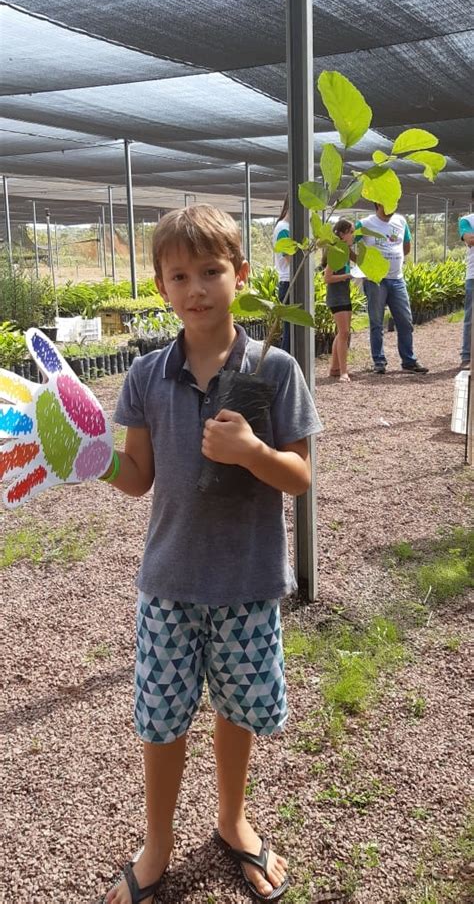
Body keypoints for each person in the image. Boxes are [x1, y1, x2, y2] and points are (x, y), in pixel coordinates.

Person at [103, 204, 322, 904]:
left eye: (211, 271)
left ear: (242, 276)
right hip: (168, 583)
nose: (196, 287)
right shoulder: (146, 376)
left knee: (235, 709)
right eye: (179, 275)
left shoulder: (273, 367)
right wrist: (87, 459)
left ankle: (231, 821)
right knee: (162, 719)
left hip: (248, 583)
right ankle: (159, 843)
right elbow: (138, 480)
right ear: (162, 287)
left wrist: (254, 451)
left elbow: (300, 475)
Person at [356, 203, 428, 374]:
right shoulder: (365, 224)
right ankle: (379, 362)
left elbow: (407, 246)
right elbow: (348, 243)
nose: (392, 206)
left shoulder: (401, 221)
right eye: (388, 202)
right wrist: (363, 264)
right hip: (375, 280)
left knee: (405, 321)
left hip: (397, 279)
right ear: (377, 203)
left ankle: (408, 361)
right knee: (376, 322)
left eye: (395, 202)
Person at [323, 218, 355, 382]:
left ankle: (334, 369)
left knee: (341, 333)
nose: (353, 235)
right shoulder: (336, 251)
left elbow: (360, 260)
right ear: (342, 234)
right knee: (343, 333)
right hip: (337, 297)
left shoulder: (346, 250)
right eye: (351, 232)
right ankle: (343, 372)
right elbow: (327, 278)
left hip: (344, 294)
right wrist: (348, 275)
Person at [272, 194, 291, 353]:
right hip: (288, 282)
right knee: (291, 331)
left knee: (293, 329)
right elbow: (291, 258)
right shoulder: (283, 229)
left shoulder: (289, 228)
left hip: (291, 281)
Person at [458, 211, 474, 369]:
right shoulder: (466, 220)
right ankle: (467, 356)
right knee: (471, 318)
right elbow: (470, 239)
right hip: (473, 276)